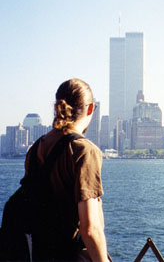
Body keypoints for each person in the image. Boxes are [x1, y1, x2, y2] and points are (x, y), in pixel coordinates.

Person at [24, 78, 109, 261]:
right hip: (72, 255)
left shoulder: (35, 149)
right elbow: (90, 229)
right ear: (90, 109)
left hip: (39, 254)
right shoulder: (84, 150)